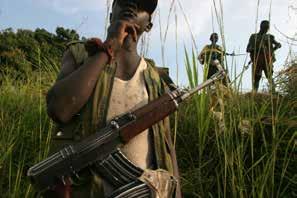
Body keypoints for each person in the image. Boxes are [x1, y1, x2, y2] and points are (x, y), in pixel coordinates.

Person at [45, 0, 181, 197]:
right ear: (111, 15)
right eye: (124, 1)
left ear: (149, 25)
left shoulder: (156, 78)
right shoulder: (81, 54)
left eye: (142, 5)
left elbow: (167, 145)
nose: (132, 5)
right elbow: (59, 109)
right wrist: (109, 47)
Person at [246, 20, 282, 92]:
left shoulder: (270, 37)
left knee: (269, 76)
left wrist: (271, 50)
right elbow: (248, 49)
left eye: (267, 28)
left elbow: (279, 45)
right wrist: (255, 49)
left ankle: (273, 92)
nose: (266, 29)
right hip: (257, 59)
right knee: (257, 76)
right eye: (265, 27)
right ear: (261, 27)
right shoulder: (254, 36)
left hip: (267, 59)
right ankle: (254, 92)